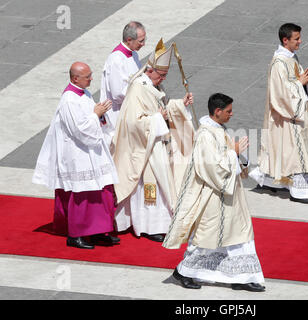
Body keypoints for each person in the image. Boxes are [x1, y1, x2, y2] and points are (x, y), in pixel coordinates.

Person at [163, 93, 265, 292]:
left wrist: (239, 155)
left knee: (238, 233)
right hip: (212, 194)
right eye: (228, 111)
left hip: (229, 194)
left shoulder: (219, 129)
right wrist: (233, 152)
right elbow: (210, 167)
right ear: (217, 112)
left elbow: (227, 157)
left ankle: (241, 276)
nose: (231, 114)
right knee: (207, 236)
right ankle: (183, 271)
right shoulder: (205, 135)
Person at [112, 38, 195, 242]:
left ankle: (156, 223)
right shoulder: (138, 88)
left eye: (165, 75)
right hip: (144, 146)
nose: (163, 79)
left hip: (156, 142)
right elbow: (133, 122)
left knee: (160, 182)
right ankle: (149, 226)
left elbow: (162, 108)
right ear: (150, 71)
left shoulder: (152, 85)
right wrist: (158, 119)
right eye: (162, 75)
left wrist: (180, 105)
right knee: (151, 185)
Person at [32, 62, 120, 249]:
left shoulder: (84, 93)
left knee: (100, 190)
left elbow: (89, 118)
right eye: (87, 76)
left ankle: (98, 230)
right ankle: (76, 234)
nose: (91, 79)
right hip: (78, 154)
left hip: (91, 151)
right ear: (75, 78)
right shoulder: (69, 100)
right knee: (83, 194)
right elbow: (78, 130)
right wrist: (96, 114)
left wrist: (100, 112)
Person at [249, 23, 308, 204]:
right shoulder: (278, 64)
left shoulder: (291, 57)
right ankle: (300, 192)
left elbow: (294, 83)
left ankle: (271, 181)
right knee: (295, 153)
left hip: (292, 113)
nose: (300, 41)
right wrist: (300, 83)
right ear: (285, 40)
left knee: (282, 150)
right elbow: (280, 94)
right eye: (296, 39)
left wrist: (303, 83)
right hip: (285, 116)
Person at [100, 21, 146, 145]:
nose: (144, 44)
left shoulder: (134, 54)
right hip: (118, 114)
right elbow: (117, 94)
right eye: (141, 41)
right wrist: (143, 92)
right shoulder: (116, 59)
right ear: (129, 40)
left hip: (131, 110)